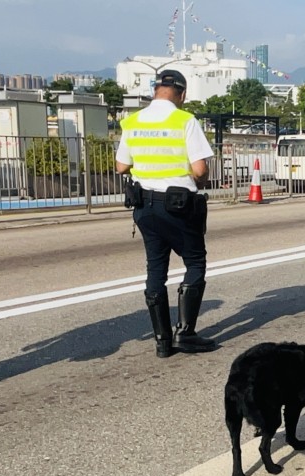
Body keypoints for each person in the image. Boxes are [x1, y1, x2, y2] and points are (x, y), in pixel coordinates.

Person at [115, 69, 217, 358]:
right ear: (182, 94)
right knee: (195, 262)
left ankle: (162, 341)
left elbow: (121, 166)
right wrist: (200, 182)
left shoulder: (132, 122)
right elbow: (199, 169)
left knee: (155, 269)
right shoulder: (185, 120)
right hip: (179, 205)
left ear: (155, 90)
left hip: (144, 207)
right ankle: (185, 333)